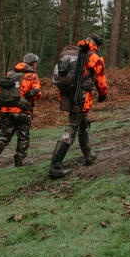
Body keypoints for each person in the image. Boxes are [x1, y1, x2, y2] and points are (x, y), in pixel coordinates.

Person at [49, 33, 108, 179]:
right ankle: (55, 166)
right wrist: (103, 94)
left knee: (82, 124)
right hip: (80, 97)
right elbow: (100, 78)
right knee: (72, 127)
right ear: (96, 44)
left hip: (67, 95)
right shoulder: (92, 56)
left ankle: (88, 156)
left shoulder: (72, 53)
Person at [0, 52, 43, 172]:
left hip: (5, 111)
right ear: (34, 64)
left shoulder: (10, 73)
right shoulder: (32, 75)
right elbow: (38, 93)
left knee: (4, 137)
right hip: (22, 112)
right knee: (23, 137)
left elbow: (0, 91)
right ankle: (20, 162)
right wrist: (29, 95)